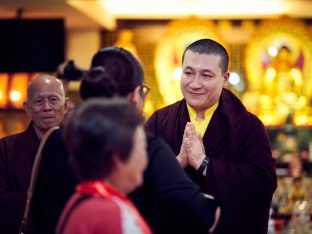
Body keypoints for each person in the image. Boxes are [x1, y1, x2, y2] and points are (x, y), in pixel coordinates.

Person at [32, 47, 220, 234]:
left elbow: (38, 212)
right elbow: (203, 215)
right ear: (134, 95)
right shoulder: (140, 144)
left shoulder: (55, 140)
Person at [145, 38, 277, 234]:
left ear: (224, 79)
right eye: (188, 73)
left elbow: (262, 182)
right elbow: (135, 180)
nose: (195, 84)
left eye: (206, 75)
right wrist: (175, 164)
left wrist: (205, 164)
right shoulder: (159, 121)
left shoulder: (247, 126)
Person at [56, 98, 151, 234]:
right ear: (117, 159)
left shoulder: (81, 198)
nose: (145, 157)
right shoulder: (111, 214)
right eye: (142, 148)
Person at [0, 74, 69, 234]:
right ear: (27, 109)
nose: (47, 107)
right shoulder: (4, 148)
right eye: (38, 101)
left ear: (65, 105)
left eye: (53, 99)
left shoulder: (80, 148)